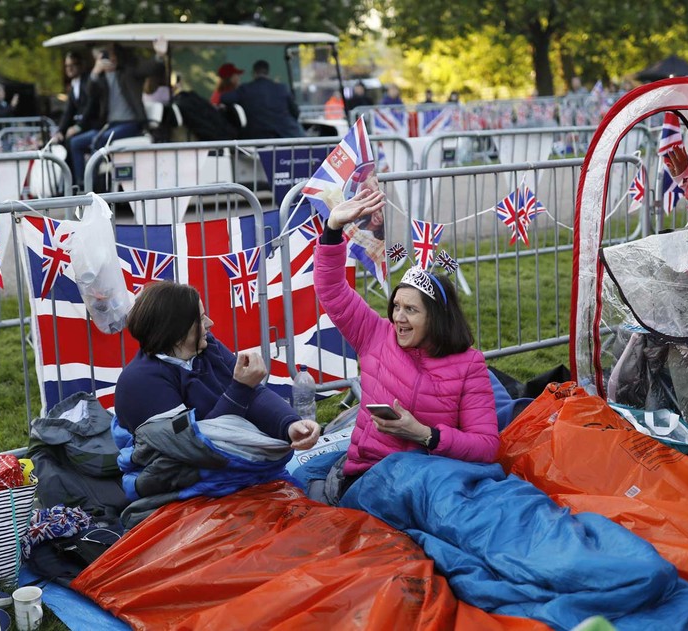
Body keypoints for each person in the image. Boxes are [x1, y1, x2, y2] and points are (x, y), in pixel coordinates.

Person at [315, 187, 499, 492]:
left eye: (410, 310)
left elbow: (486, 446)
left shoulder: (469, 365)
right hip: (370, 476)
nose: (398, 317)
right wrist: (333, 229)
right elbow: (332, 290)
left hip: (433, 480)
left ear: (436, 317)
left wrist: (425, 434)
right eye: (396, 306)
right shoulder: (375, 334)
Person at [114, 281, 320, 450]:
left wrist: (290, 425)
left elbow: (254, 394)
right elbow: (194, 446)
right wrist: (241, 388)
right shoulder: (140, 382)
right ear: (175, 331)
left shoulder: (207, 347)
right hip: (185, 482)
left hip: (232, 469)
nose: (210, 323)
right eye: (200, 319)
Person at [69, 38, 167, 187]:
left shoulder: (128, 72)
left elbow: (149, 68)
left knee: (100, 140)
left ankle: (92, 186)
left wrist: (159, 55)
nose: (110, 58)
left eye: (112, 54)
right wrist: (95, 72)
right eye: (106, 55)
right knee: (75, 142)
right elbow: (90, 92)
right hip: (109, 125)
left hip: (131, 124)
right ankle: (81, 184)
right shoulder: (101, 78)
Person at [220, 59, 304, 139]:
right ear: (268, 73)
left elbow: (224, 98)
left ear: (254, 73)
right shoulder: (282, 88)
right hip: (289, 136)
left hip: (258, 138)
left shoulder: (245, 90)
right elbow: (295, 113)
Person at [52, 51, 90, 145]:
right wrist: (60, 131)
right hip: (80, 126)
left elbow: (89, 107)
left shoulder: (88, 82)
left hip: (90, 125)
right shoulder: (73, 85)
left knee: (73, 142)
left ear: (81, 65)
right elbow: (68, 112)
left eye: (73, 65)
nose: (69, 69)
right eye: (67, 66)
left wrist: (78, 127)